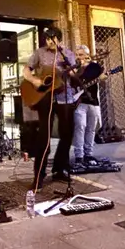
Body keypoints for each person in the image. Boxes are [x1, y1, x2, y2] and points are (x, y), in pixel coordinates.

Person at [22, 27, 78, 189]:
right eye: (46, 38)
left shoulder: (67, 54)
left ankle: (59, 169)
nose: (49, 41)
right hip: (45, 98)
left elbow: (74, 75)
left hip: (64, 97)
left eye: (52, 38)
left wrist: (75, 71)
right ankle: (39, 175)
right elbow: (27, 70)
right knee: (44, 136)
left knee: (67, 134)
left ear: (58, 39)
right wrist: (34, 81)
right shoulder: (39, 53)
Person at [72, 45, 105, 164]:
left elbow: (93, 78)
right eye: (77, 54)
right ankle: (79, 155)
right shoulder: (74, 69)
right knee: (80, 127)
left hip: (93, 101)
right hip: (79, 102)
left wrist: (102, 78)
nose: (78, 57)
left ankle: (88, 154)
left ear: (87, 55)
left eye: (81, 54)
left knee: (91, 129)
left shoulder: (94, 66)